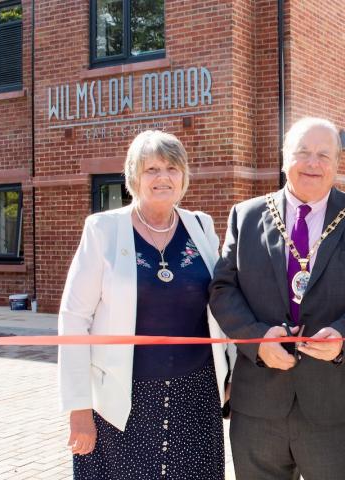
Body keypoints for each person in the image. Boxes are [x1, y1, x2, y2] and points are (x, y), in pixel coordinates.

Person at [209, 117, 345, 480]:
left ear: (337, 163)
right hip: (259, 408)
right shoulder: (246, 216)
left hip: (337, 406)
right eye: (303, 153)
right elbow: (223, 289)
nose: (313, 163)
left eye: (323, 155)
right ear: (285, 158)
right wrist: (255, 340)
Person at [58, 130, 236, 479]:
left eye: (172, 168)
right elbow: (74, 318)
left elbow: (222, 305)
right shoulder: (103, 229)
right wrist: (79, 408)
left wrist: (230, 372)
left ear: (183, 176)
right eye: (151, 169)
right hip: (122, 398)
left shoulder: (201, 226)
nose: (163, 177)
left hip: (197, 394)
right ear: (133, 177)